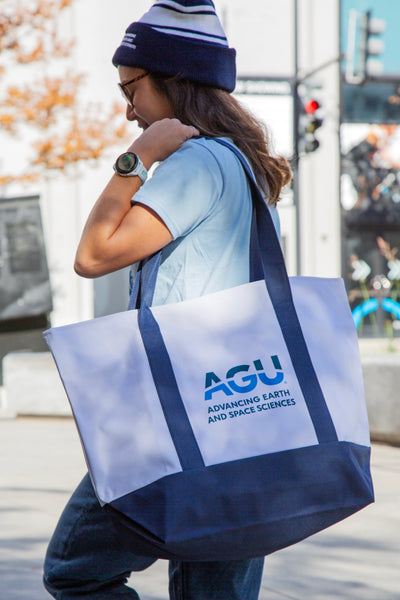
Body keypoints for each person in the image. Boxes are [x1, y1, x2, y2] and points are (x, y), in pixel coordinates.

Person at [43, 1, 291, 598]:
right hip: (248, 421)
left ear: (173, 82)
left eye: (132, 88)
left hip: (181, 420)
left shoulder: (198, 161)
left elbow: (94, 254)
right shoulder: (243, 165)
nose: (127, 108)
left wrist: (138, 158)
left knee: (76, 572)